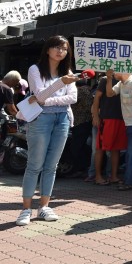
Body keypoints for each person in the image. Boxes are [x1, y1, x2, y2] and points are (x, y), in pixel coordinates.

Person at [15, 35, 79, 226]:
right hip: (41, 118)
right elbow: (40, 95)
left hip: (63, 119)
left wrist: (46, 99)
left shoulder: (66, 70)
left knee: (52, 166)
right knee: (35, 165)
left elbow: (72, 98)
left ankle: (43, 207)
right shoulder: (35, 69)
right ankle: (25, 209)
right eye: (57, 47)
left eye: (64, 48)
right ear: (48, 49)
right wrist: (60, 84)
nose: (61, 51)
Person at [105, 69, 132, 191]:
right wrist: (109, 79)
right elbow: (109, 93)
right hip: (128, 124)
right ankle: (130, 180)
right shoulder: (121, 83)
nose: (113, 73)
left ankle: (131, 181)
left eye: (114, 71)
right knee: (130, 153)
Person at [92, 73, 125, 185]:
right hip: (106, 118)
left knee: (116, 148)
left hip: (121, 118)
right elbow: (97, 98)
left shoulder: (126, 79)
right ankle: (98, 177)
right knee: (100, 148)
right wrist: (96, 116)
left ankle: (114, 176)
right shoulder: (105, 79)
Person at [67, 79, 94, 178]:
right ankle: (84, 167)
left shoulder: (80, 91)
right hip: (86, 122)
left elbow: (71, 101)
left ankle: (81, 168)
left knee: (76, 147)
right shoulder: (90, 90)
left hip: (80, 122)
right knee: (81, 146)